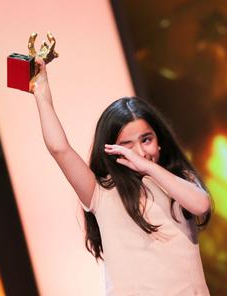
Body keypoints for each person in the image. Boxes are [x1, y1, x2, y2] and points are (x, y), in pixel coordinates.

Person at [30, 58, 212, 296]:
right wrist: (41, 94)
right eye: (127, 145)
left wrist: (148, 168)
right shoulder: (101, 191)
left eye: (146, 139)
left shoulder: (178, 178)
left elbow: (201, 204)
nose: (140, 152)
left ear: (159, 140)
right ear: (112, 150)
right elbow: (59, 149)